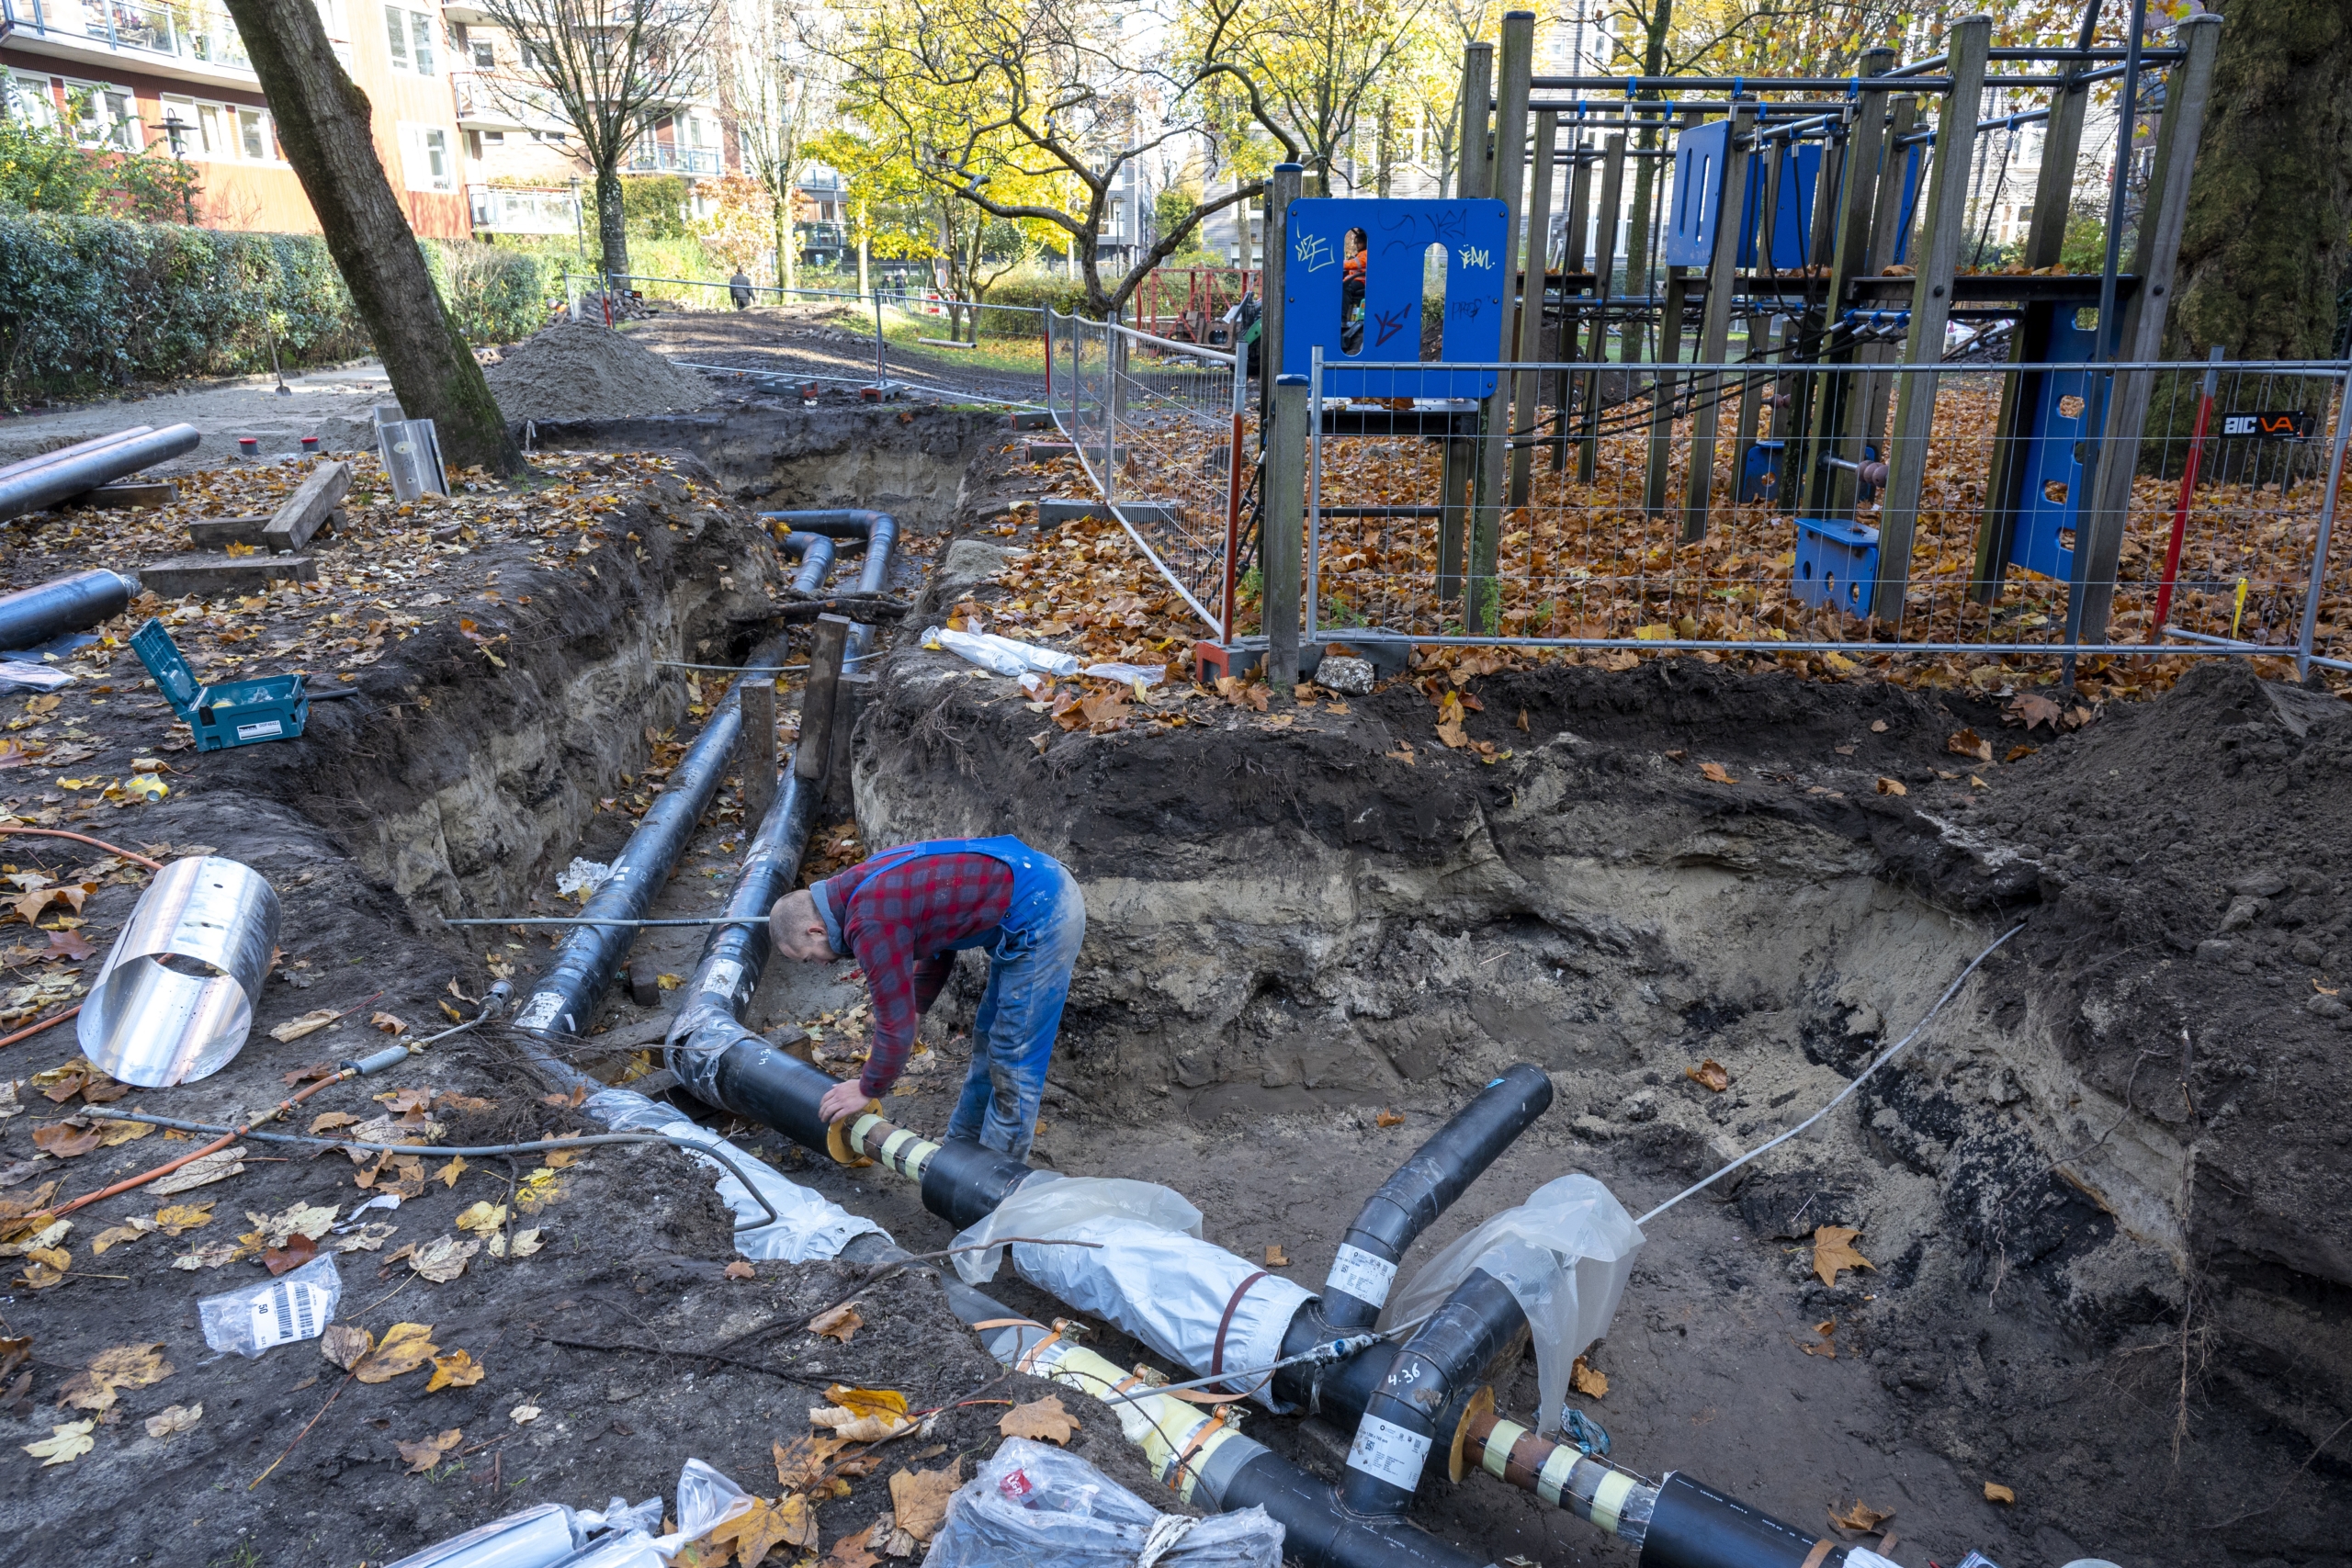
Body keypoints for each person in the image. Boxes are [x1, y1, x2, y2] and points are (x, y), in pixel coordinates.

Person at [768, 836, 1083, 1158]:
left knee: (1013, 1057)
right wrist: (917, 1004)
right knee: (988, 1040)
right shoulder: (857, 889)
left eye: (810, 958)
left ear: (816, 931)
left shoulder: (868, 921)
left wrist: (867, 1088)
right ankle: (959, 1154)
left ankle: (993, 1183)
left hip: (1044, 908)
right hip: (1030, 885)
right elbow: (937, 935)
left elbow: (896, 1026)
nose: (819, 965)